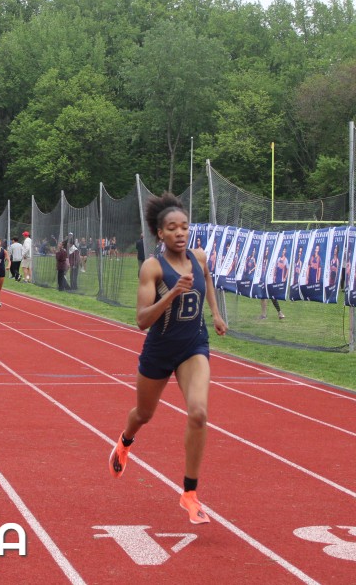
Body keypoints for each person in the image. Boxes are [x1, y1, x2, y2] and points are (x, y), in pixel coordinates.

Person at [108, 193, 227, 525]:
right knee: (144, 414)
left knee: (199, 413)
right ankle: (125, 441)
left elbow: (207, 280)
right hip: (160, 349)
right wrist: (173, 293)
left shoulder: (198, 257)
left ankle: (189, 493)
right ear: (160, 233)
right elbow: (141, 320)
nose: (180, 233)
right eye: (172, 228)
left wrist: (216, 313)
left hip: (193, 346)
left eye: (184, 227)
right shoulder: (153, 267)